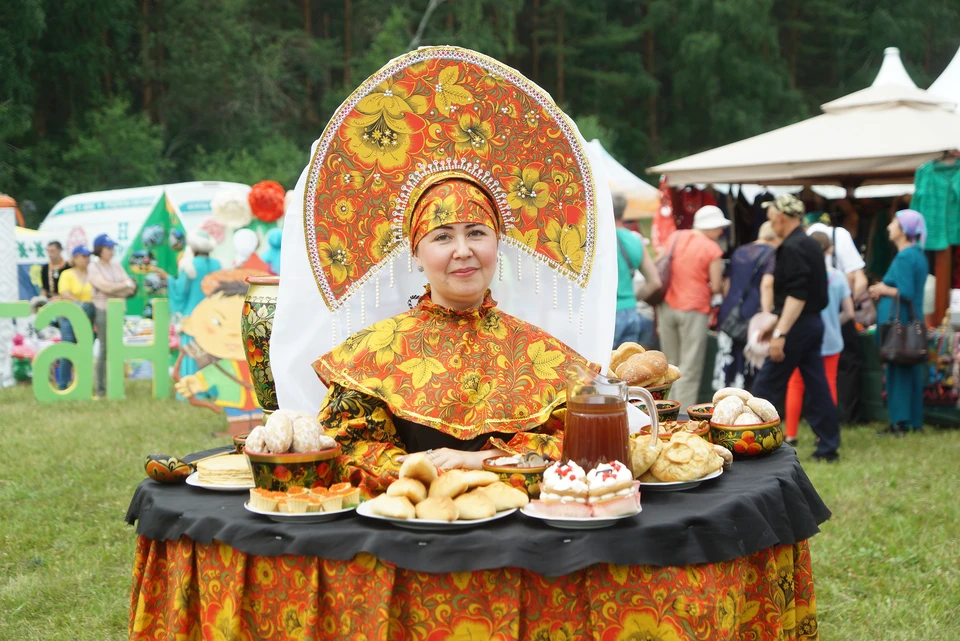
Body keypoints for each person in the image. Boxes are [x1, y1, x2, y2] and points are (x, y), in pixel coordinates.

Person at [753, 194, 840, 462]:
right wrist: (778, 325)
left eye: (771, 217)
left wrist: (780, 333)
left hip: (798, 325)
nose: (771, 222)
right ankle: (828, 446)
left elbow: (797, 294)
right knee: (816, 385)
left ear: (780, 217)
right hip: (812, 323)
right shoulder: (811, 243)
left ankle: (752, 440)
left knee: (765, 386)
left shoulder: (792, 247)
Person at [174, 270, 266, 434]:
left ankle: (258, 428)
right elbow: (211, 375)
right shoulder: (224, 365)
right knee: (238, 420)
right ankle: (238, 429)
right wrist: (194, 383)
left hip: (258, 398)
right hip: (235, 400)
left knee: (260, 417)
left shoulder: (261, 362)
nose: (232, 332)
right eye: (218, 322)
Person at [784, 231, 854, 446]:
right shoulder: (838, 277)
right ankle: (823, 433)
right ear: (830, 249)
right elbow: (849, 313)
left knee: (795, 384)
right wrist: (834, 323)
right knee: (828, 384)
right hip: (831, 339)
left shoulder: (800, 276)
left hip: (803, 336)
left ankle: (791, 434)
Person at [659, 205, 728, 409]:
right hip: (695, 309)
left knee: (669, 365)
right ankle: (680, 416)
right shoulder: (712, 248)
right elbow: (716, 286)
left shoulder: (675, 237)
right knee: (689, 367)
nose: (721, 232)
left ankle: (665, 409)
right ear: (711, 226)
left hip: (667, 305)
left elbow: (660, 261)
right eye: (719, 227)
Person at [869, 209, 929, 435]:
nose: (888, 227)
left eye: (893, 223)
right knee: (909, 371)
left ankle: (899, 422)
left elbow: (906, 291)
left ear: (903, 230)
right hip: (908, 321)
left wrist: (882, 288)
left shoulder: (905, 256)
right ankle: (913, 420)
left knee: (898, 371)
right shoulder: (917, 254)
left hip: (899, 325)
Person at [714, 221, 778, 391]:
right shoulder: (772, 254)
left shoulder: (740, 251)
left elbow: (727, 283)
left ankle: (724, 396)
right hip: (752, 313)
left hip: (729, 312)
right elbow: (766, 284)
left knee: (728, 358)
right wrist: (766, 314)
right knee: (748, 360)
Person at [87, 234, 136, 399]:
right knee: (104, 349)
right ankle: (101, 389)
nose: (111, 251)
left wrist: (119, 288)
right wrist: (123, 286)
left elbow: (131, 288)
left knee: (117, 349)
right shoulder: (93, 267)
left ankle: (115, 387)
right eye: (108, 248)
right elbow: (104, 287)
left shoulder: (116, 266)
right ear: (99, 249)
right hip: (103, 310)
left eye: (112, 248)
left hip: (118, 310)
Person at [613, 193, 660, 347]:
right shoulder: (635, 240)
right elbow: (654, 282)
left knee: (596, 369)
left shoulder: (595, 240)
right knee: (625, 367)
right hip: (630, 311)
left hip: (603, 314)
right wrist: (633, 297)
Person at [53, 246, 95, 390]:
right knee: (68, 347)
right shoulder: (67, 274)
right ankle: (63, 383)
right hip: (70, 316)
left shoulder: (93, 274)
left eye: (88, 256)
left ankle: (83, 383)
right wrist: (80, 303)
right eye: (83, 256)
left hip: (89, 317)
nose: (87, 259)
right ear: (75, 258)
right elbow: (64, 293)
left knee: (85, 350)